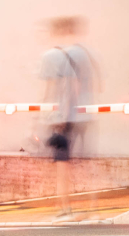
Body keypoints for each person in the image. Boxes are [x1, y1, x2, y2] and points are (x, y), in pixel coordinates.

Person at [36, 18, 99, 216]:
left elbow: (55, 88)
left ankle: (65, 207)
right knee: (87, 162)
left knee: (62, 163)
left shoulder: (53, 55)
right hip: (86, 114)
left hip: (65, 116)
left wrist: (53, 116)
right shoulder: (85, 52)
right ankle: (93, 206)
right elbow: (97, 82)